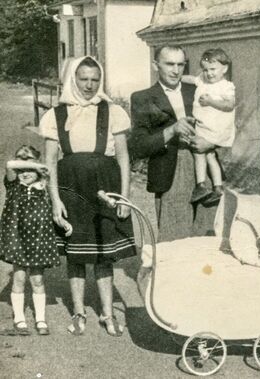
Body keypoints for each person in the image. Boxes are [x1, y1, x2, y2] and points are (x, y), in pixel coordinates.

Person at [42, 56, 136, 336]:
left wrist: (124, 197)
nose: (89, 85)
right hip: (71, 189)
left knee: (104, 255)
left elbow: (123, 158)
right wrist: (56, 199)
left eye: (95, 79)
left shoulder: (113, 112)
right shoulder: (55, 115)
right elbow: (49, 163)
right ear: (73, 79)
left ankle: (107, 314)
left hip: (105, 188)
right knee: (76, 255)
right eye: (83, 79)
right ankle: (79, 312)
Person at [130, 45, 219, 243]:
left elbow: (222, 123)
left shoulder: (197, 91)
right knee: (175, 242)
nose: (176, 70)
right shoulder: (142, 98)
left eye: (180, 64)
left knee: (208, 239)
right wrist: (172, 130)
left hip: (204, 171)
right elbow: (138, 146)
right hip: (170, 173)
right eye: (169, 64)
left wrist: (210, 143)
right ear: (155, 65)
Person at [0, 146, 68, 336]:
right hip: (18, 240)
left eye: (29, 167)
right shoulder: (13, 184)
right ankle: (19, 319)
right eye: (21, 168)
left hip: (39, 239)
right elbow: (10, 164)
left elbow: (54, 209)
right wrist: (32, 165)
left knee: (38, 280)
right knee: (19, 278)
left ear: (37, 168)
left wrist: (63, 223)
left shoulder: (44, 187)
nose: (24, 172)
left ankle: (40, 319)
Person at [190, 48, 235, 206]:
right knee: (208, 156)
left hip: (214, 127)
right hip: (203, 126)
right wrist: (178, 77)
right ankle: (217, 187)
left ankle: (200, 185)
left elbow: (230, 105)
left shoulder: (226, 86)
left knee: (198, 152)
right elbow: (192, 79)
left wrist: (211, 102)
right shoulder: (202, 80)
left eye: (213, 69)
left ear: (225, 68)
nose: (209, 74)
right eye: (205, 70)